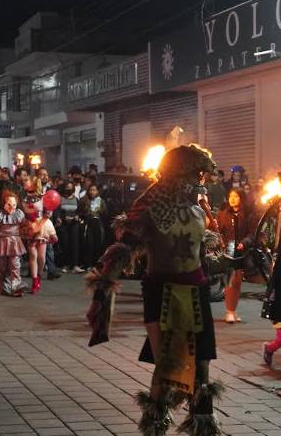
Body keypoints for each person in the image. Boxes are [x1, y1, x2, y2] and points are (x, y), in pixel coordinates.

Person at [98, 145, 220, 436]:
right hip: (162, 293)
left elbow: (199, 253)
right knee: (168, 366)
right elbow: (123, 250)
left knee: (201, 365)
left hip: (197, 291)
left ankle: (203, 427)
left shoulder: (197, 208)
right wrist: (103, 291)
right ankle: (154, 428)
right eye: (196, 174)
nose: (200, 180)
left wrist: (237, 259)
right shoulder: (151, 206)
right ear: (181, 173)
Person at [217, 188, 255, 323]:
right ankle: (229, 311)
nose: (232, 199)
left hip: (241, 251)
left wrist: (244, 243)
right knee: (229, 280)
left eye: (236, 196)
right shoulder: (223, 214)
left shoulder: (248, 215)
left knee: (238, 281)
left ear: (241, 198)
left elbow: (252, 233)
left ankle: (233, 310)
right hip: (227, 249)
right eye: (230, 196)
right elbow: (218, 231)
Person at [21, 176, 57, 293]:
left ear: (34, 183)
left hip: (41, 225)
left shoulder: (42, 197)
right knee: (32, 255)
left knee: (41, 257)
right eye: (24, 181)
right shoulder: (23, 197)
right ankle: (34, 280)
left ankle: (39, 275)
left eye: (27, 180)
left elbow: (48, 213)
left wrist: (51, 230)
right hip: (29, 227)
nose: (25, 182)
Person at [0, 192, 28, 296]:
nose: (11, 207)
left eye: (14, 205)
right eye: (9, 204)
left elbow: (24, 225)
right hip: (2, 241)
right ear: (4, 203)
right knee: (1, 265)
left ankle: (16, 287)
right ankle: (2, 285)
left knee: (15, 265)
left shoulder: (19, 214)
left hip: (15, 241)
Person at [55, 181, 82, 273]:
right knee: (65, 244)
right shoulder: (60, 199)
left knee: (75, 244)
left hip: (74, 224)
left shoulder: (76, 200)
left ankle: (75, 265)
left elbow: (80, 211)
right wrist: (62, 217)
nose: (69, 189)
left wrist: (77, 216)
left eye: (71, 187)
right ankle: (65, 265)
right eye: (67, 187)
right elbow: (57, 211)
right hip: (64, 225)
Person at [78, 184, 107, 269]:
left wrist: (100, 211)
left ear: (97, 191)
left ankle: (96, 264)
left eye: (94, 190)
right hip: (88, 223)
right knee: (89, 243)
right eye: (91, 190)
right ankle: (88, 264)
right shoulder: (85, 200)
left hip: (98, 223)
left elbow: (105, 213)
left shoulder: (101, 201)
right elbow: (80, 212)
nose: (92, 192)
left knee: (98, 244)